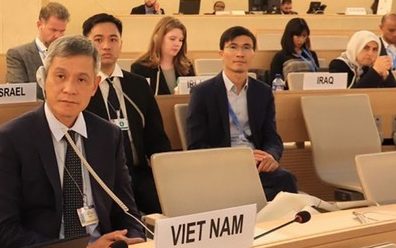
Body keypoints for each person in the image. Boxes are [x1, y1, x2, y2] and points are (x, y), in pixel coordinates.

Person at [0, 35, 145, 248]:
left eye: (81, 79)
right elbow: (4, 233)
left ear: (94, 85)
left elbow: (127, 212)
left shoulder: (108, 135)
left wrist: (131, 242)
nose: (70, 89)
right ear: (43, 79)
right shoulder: (8, 140)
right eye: (60, 76)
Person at [185, 26, 298, 201]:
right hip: (222, 167)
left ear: (253, 53)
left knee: (286, 180)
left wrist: (271, 156)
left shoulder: (263, 91)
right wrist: (238, 159)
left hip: (257, 166)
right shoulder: (203, 93)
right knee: (246, 195)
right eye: (233, 47)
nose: (240, 53)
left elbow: (272, 137)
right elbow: (196, 145)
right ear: (221, 53)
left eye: (246, 47)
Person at [82, 13, 171, 214]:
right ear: (86, 45)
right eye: (98, 40)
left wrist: (166, 176)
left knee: (169, 212)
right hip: (101, 176)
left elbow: (157, 138)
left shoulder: (138, 85)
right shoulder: (82, 87)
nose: (106, 46)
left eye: (113, 39)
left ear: (121, 44)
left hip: (140, 174)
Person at [6, 2, 70, 100]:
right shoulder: (18, 55)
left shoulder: (69, 55)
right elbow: (18, 95)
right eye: (53, 30)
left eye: (62, 31)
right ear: (39, 25)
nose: (58, 36)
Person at [130, 16, 195, 95]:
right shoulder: (140, 68)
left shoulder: (187, 67)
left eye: (181, 40)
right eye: (172, 39)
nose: (177, 44)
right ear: (158, 38)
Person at [329, 30, 396, 88]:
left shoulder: (376, 65)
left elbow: (395, 95)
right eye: (366, 48)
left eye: (375, 49)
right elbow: (351, 97)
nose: (370, 53)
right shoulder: (338, 65)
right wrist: (375, 71)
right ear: (355, 47)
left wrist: (386, 76)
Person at [269, 18, 320, 82]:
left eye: (304, 36)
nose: (301, 40)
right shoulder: (280, 56)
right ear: (290, 36)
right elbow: (273, 82)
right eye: (298, 36)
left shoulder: (312, 55)